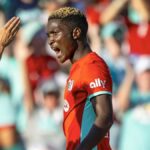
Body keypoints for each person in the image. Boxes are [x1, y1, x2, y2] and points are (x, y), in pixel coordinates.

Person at [47, 7, 113, 150]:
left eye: (55, 33)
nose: (50, 41)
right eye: (48, 35)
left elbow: (105, 117)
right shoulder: (77, 68)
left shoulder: (92, 66)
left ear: (76, 33)